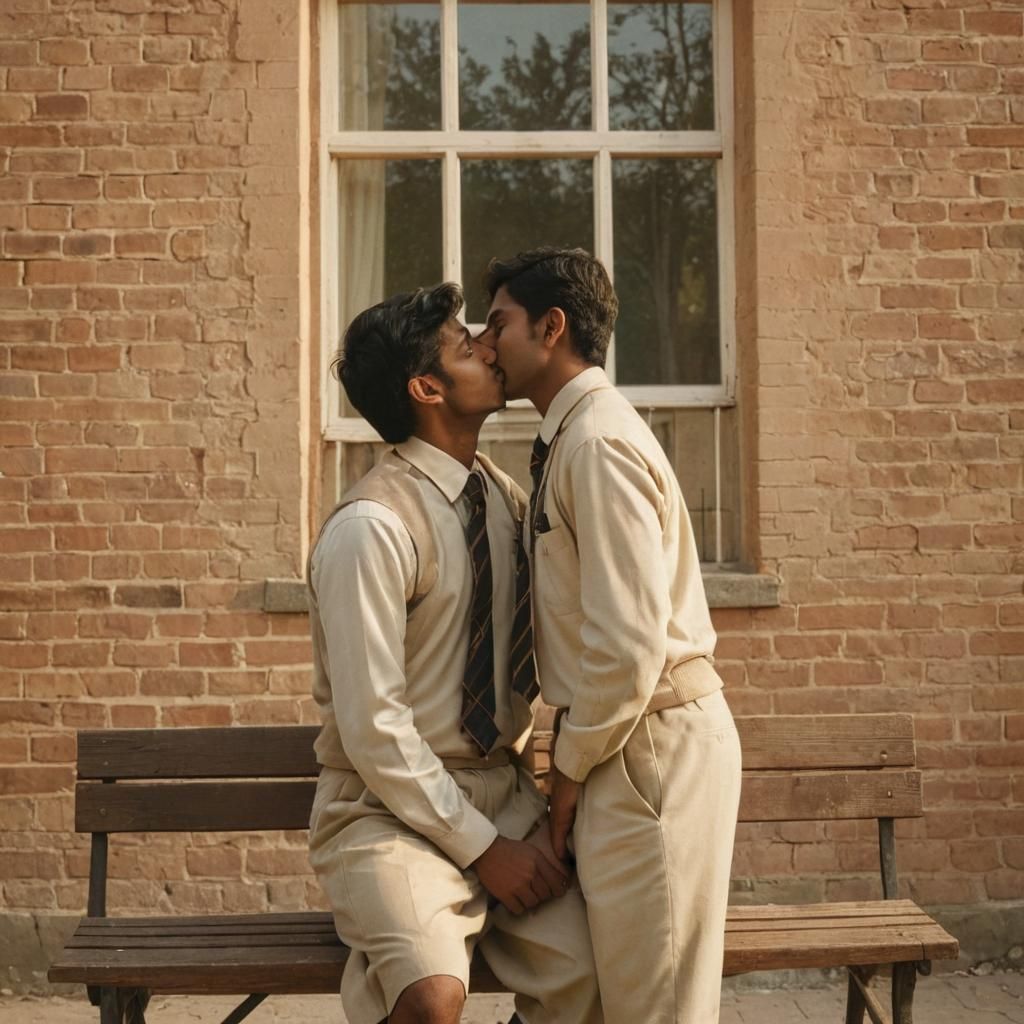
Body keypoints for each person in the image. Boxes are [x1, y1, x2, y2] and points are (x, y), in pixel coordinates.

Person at [307, 282, 603, 1024]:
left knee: (600, 975)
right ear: (427, 386)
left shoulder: (505, 503)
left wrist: (520, 823)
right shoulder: (370, 527)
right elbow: (374, 729)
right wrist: (483, 850)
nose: (487, 345)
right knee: (431, 1000)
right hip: (384, 814)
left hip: (506, 798)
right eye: (463, 343)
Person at [477, 248, 742, 1024]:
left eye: (499, 324)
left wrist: (567, 773)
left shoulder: (595, 443)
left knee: (655, 1007)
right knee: (626, 997)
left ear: (552, 327)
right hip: (625, 741)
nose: (486, 344)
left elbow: (627, 645)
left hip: (645, 745)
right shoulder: (573, 437)